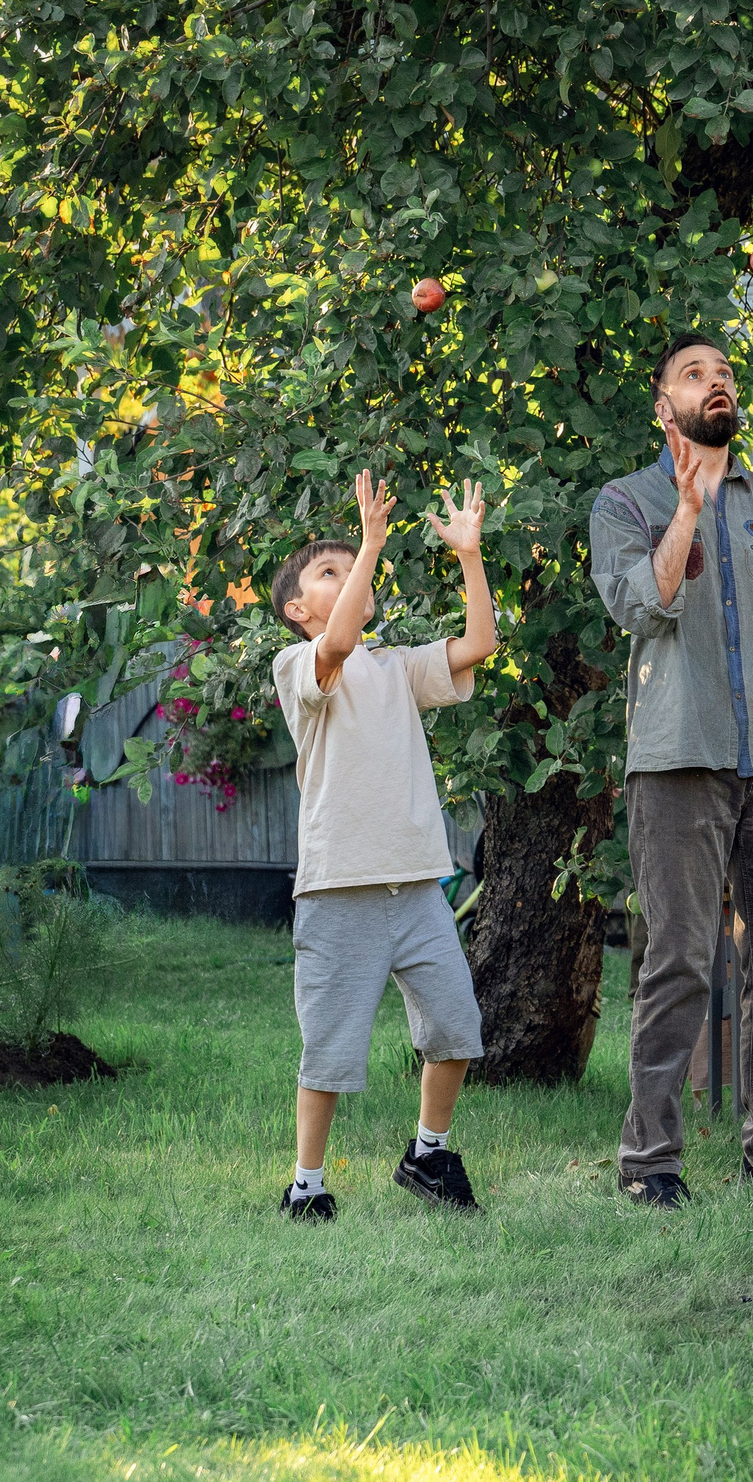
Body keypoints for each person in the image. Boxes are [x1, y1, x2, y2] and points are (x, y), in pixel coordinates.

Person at [590, 331, 753, 1209]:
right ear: (663, 404)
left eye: (726, 374)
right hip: (679, 759)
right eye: (694, 374)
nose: (717, 384)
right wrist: (688, 508)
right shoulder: (624, 502)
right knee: (678, 960)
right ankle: (650, 1159)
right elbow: (644, 602)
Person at [270, 469, 498, 1220]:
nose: (350, 574)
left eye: (357, 566)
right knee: (331, 1051)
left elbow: (480, 642)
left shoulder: (399, 667)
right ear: (299, 609)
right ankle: (307, 1184)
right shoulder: (302, 665)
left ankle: (428, 1155)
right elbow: (336, 644)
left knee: (456, 1028)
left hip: (417, 888)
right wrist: (369, 539)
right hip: (340, 891)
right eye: (328, 572)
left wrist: (469, 553)